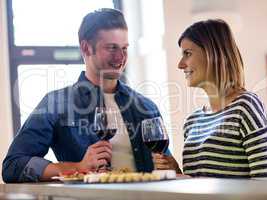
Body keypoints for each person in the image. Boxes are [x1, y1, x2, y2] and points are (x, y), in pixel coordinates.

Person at [2, 8, 165, 183]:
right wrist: (78, 167)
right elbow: (13, 166)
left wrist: (169, 167)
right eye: (111, 48)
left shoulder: (146, 106)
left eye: (124, 48)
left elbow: (164, 165)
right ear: (86, 48)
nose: (120, 57)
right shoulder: (56, 103)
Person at [153, 19, 267, 178]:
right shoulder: (192, 122)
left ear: (212, 53)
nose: (180, 64)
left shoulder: (245, 107)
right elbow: (198, 185)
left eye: (187, 53)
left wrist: (189, 180)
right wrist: (176, 171)